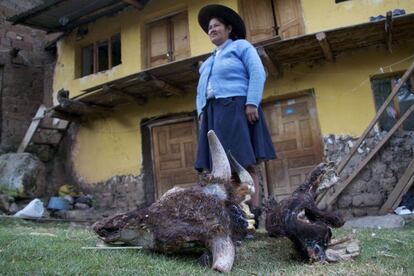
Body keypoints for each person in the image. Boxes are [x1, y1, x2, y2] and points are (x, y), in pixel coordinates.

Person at [195, 4, 276, 223]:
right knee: (220, 168)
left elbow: (257, 72)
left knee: (244, 163)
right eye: (209, 27)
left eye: (216, 25)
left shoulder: (241, 47)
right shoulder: (208, 62)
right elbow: (200, 90)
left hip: (236, 109)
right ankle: (233, 215)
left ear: (229, 28)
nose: (211, 30)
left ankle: (253, 213)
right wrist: (201, 112)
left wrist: (252, 102)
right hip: (213, 115)